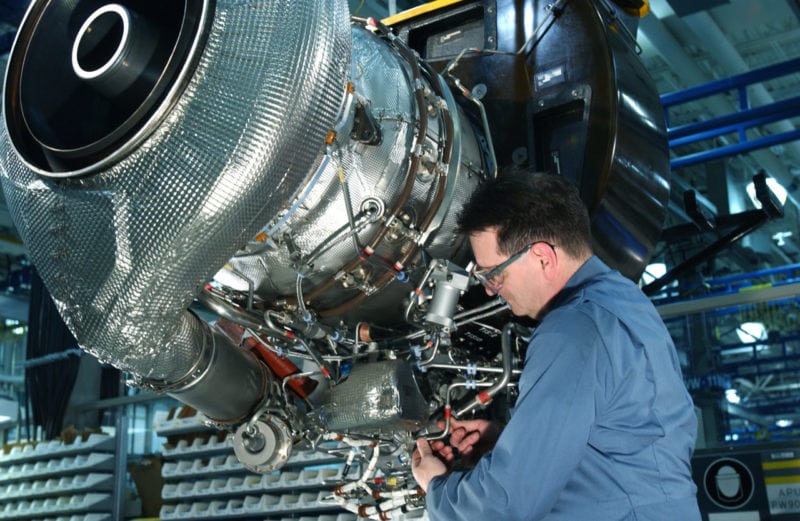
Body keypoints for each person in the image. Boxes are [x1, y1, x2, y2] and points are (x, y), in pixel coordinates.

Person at [411, 171, 701, 520]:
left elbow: (502, 508)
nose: (489, 289)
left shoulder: (572, 331)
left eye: (494, 273)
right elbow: (621, 443)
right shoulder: (624, 301)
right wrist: (512, 441)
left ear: (543, 257)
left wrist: (438, 488)